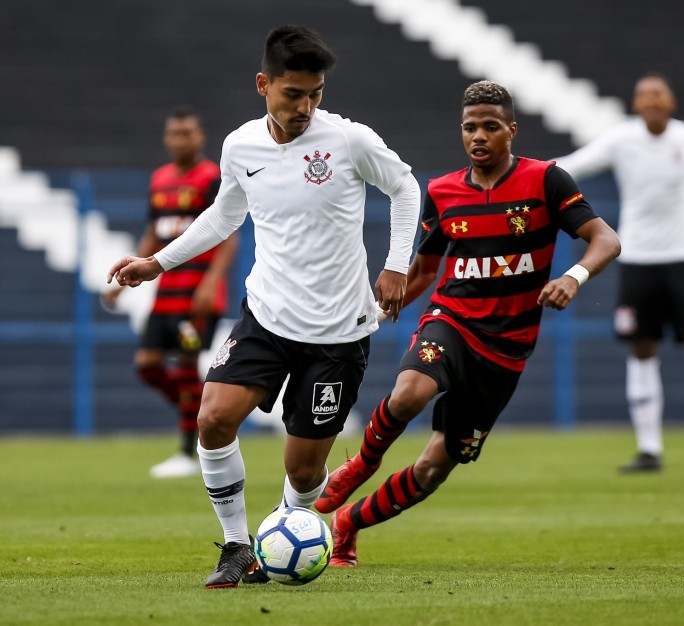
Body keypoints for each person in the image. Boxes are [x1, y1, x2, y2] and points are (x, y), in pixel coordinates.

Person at [106, 24, 421, 587]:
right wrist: (158, 263)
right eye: (293, 93)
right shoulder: (239, 145)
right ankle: (235, 547)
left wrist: (397, 264)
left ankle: (283, 534)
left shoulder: (349, 140)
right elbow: (224, 216)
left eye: (315, 93)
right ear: (263, 85)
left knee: (303, 468)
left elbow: (405, 187)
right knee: (213, 418)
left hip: (338, 332)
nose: (305, 106)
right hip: (267, 317)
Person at [307, 80, 621, 569]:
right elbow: (426, 272)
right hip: (451, 320)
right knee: (411, 391)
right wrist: (366, 315)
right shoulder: (443, 192)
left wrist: (574, 276)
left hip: (507, 349)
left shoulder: (546, 181)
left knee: (434, 467)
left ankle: (349, 523)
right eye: (470, 127)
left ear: (511, 131)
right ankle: (361, 464)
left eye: (490, 127)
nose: (479, 136)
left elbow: (605, 240)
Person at [554, 72, 684, 473]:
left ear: (671, 102)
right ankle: (649, 449)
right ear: (635, 104)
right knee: (642, 346)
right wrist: (523, 174)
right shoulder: (621, 139)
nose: (650, 100)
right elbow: (574, 165)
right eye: (643, 94)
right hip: (638, 260)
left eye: (657, 93)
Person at [103, 106, 237, 479]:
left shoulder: (212, 177)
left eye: (187, 133)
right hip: (166, 294)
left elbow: (227, 233)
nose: (180, 140)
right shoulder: (160, 179)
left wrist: (212, 282)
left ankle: (186, 451)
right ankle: (195, 415)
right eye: (174, 134)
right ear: (166, 139)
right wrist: (128, 274)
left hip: (196, 294)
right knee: (147, 366)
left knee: (186, 366)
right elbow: (154, 232)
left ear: (200, 137)